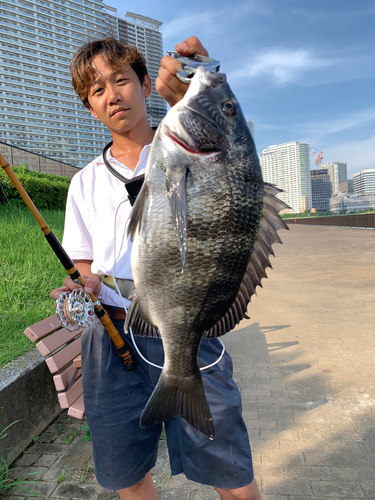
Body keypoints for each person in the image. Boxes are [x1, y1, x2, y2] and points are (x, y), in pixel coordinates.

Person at [50, 36, 261, 500]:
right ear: (90, 108)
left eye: (121, 79)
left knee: (232, 468)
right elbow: (85, 264)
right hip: (111, 337)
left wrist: (194, 79)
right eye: (97, 89)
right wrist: (82, 283)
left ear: (146, 85)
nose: (112, 94)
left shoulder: (183, 146)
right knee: (127, 475)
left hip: (191, 330)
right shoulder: (83, 183)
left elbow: (228, 153)